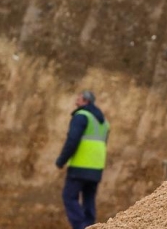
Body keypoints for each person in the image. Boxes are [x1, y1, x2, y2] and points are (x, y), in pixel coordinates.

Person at [55, 90, 110, 229]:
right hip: (96, 167)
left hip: (80, 166)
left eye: (78, 98)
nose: (76, 101)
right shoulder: (103, 122)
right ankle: (91, 226)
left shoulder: (81, 116)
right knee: (89, 198)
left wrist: (61, 160)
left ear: (86, 101)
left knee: (69, 196)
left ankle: (81, 227)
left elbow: (72, 141)